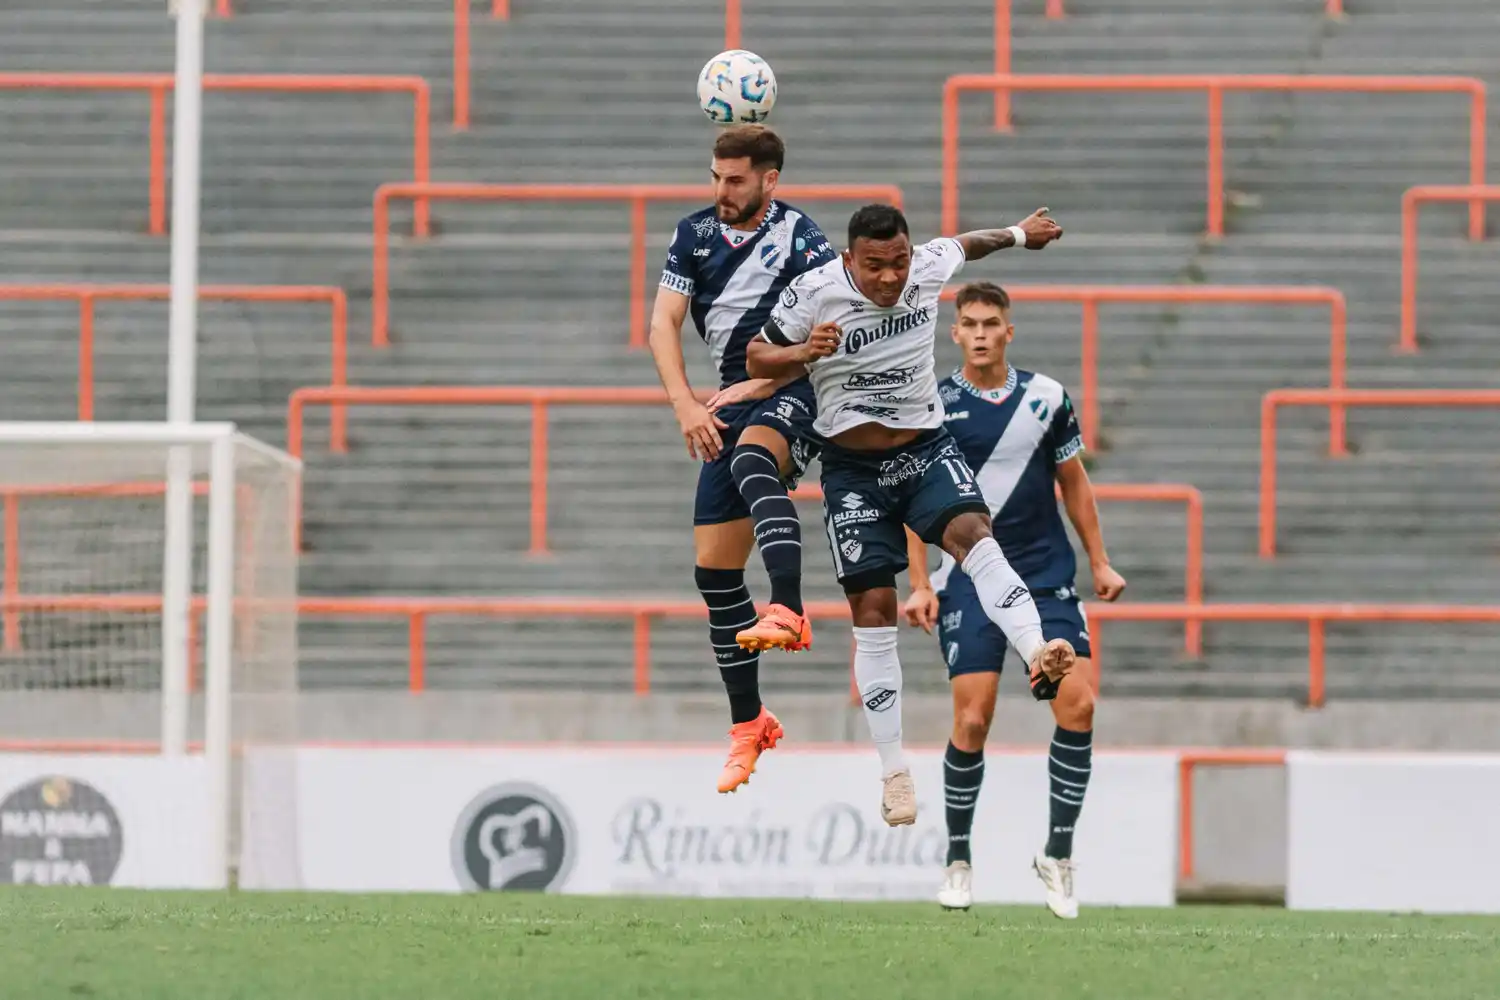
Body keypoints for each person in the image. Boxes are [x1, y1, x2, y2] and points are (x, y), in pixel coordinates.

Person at [746, 204, 1072, 827]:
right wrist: (800, 354)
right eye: (875, 267)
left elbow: (969, 244)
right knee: (874, 610)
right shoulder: (813, 291)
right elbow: (757, 356)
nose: (891, 278)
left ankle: (1037, 651)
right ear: (849, 260)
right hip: (852, 467)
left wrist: (1021, 235)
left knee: (976, 537)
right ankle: (894, 771)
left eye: (898, 262)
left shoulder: (925, 265)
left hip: (924, 448)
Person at [902, 281, 1127, 919]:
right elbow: (909, 500)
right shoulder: (933, 404)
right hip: (968, 580)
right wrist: (919, 582)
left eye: (990, 323)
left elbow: (1075, 486)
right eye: (968, 323)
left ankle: (1056, 855)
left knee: (1078, 705)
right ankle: (958, 859)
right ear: (954, 334)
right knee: (973, 719)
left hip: (1046, 576)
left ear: (1009, 330)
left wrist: (1101, 562)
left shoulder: (1047, 398)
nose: (979, 333)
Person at [647, 124, 839, 795]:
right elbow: (661, 323)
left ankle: (788, 607)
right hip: (729, 399)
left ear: (769, 181)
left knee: (755, 462)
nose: (720, 191)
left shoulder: (804, 238)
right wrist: (686, 407)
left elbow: (832, 332)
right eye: (714, 178)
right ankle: (749, 723)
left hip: (798, 390)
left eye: (734, 181)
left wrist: (773, 374)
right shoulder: (692, 235)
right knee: (714, 577)